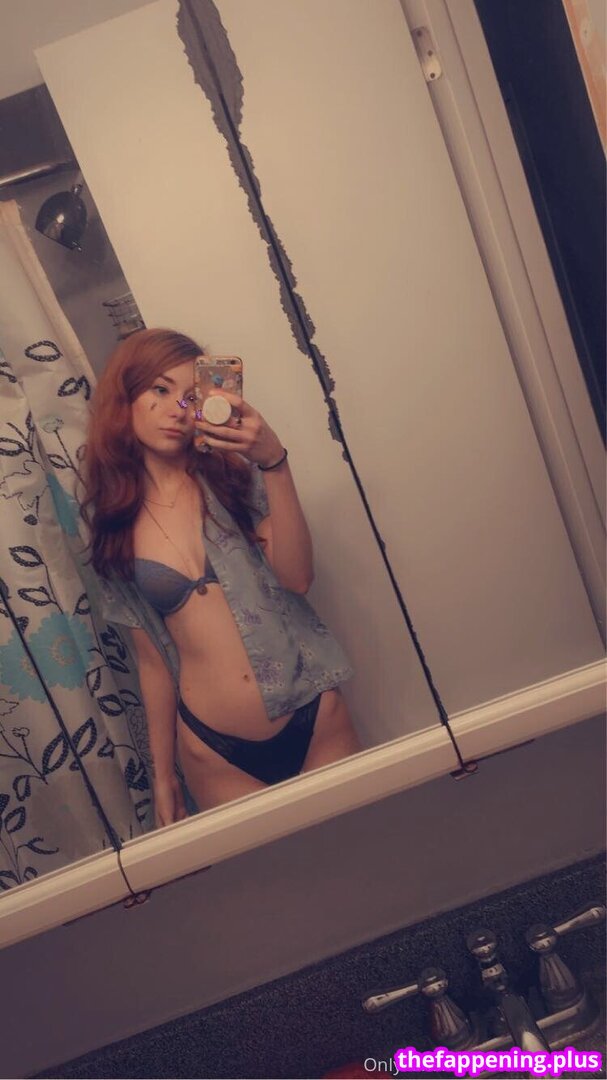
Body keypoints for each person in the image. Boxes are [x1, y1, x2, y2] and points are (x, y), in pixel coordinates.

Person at [81, 328, 360, 825]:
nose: (176, 409)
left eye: (191, 397)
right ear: (125, 398)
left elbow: (297, 578)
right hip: (213, 750)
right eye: (160, 389)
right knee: (279, 875)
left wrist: (274, 463)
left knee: (368, 848)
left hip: (311, 715)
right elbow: (152, 662)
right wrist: (163, 775)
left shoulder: (234, 479)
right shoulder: (114, 525)